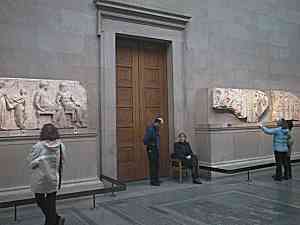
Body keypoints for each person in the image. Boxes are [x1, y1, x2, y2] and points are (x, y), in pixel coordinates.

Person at [27, 123, 67, 225]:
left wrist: (40, 161)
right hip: (54, 178)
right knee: (51, 201)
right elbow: (63, 161)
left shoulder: (38, 146)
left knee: (40, 200)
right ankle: (55, 219)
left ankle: (52, 220)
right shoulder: (61, 145)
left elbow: (31, 163)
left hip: (40, 179)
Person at [143, 117, 164, 186]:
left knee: (156, 164)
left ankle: (156, 179)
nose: (160, 126)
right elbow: (145, 140)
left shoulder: (156, 129)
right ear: (156, 123)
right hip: (151, 149)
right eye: (160, 124)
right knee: (152, 165)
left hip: (155, 148)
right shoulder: (150, 129)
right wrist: (151, 145)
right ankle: (153, 181)